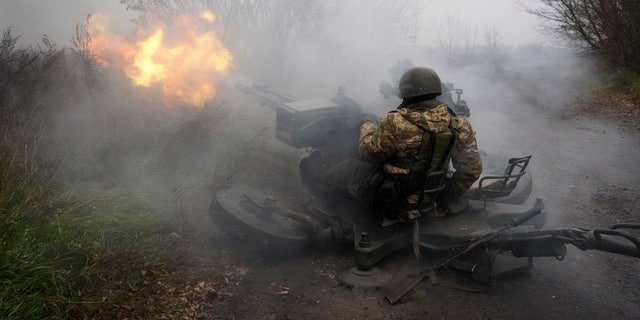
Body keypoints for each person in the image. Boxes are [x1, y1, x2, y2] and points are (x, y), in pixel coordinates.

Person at [358, 66, 482, 221]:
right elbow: (471, 170)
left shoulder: (395, 122)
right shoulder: (459, 123)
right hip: (433, 198)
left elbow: (369, 153)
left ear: (405, 92)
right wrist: (443, 198)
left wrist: (368, 124)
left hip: (396, 201)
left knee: (344, 173)